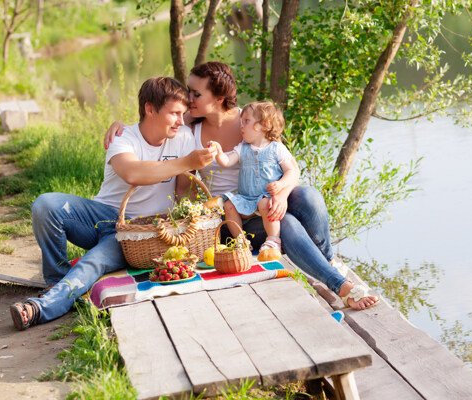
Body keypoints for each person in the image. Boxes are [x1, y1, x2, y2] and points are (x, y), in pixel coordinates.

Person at [104, 62, 379, 310]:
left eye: (196, 94)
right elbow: (153, 119)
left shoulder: (250, 121)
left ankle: (327, 264)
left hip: (262, 203)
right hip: (229, 218)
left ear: (219, 98)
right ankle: (339, 284)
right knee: (289, 223)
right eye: (189, 92)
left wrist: (282, 193)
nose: (189, 99)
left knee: (306, 195)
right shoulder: (191, 125)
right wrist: (120, 126)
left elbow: (291, 168)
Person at [10, 77, 217, 330]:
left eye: (183, 114)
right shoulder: (123, 137)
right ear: (150, 109)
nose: (181, 121)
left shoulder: (183, 136)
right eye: (174, 113)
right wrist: (186, 162)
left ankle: (41, 308)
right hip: (99, 217)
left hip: (138, 234)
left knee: (93, 262)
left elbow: (183, 189)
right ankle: (56, 280)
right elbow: (131, 173)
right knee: (45, 204)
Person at [209, 101, 298, 261]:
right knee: (229, 205)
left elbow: (291, 171)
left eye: (246, 122)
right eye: (241, 122)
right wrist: (218, 152)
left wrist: (281, 184)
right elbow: (226, 161)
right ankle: (240, 241)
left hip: (266, 197)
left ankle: (273, 240)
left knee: (266, 205)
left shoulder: (276, 148)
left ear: (265, 124)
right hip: (246, 198)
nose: (241, 126)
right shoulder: (242, 148)